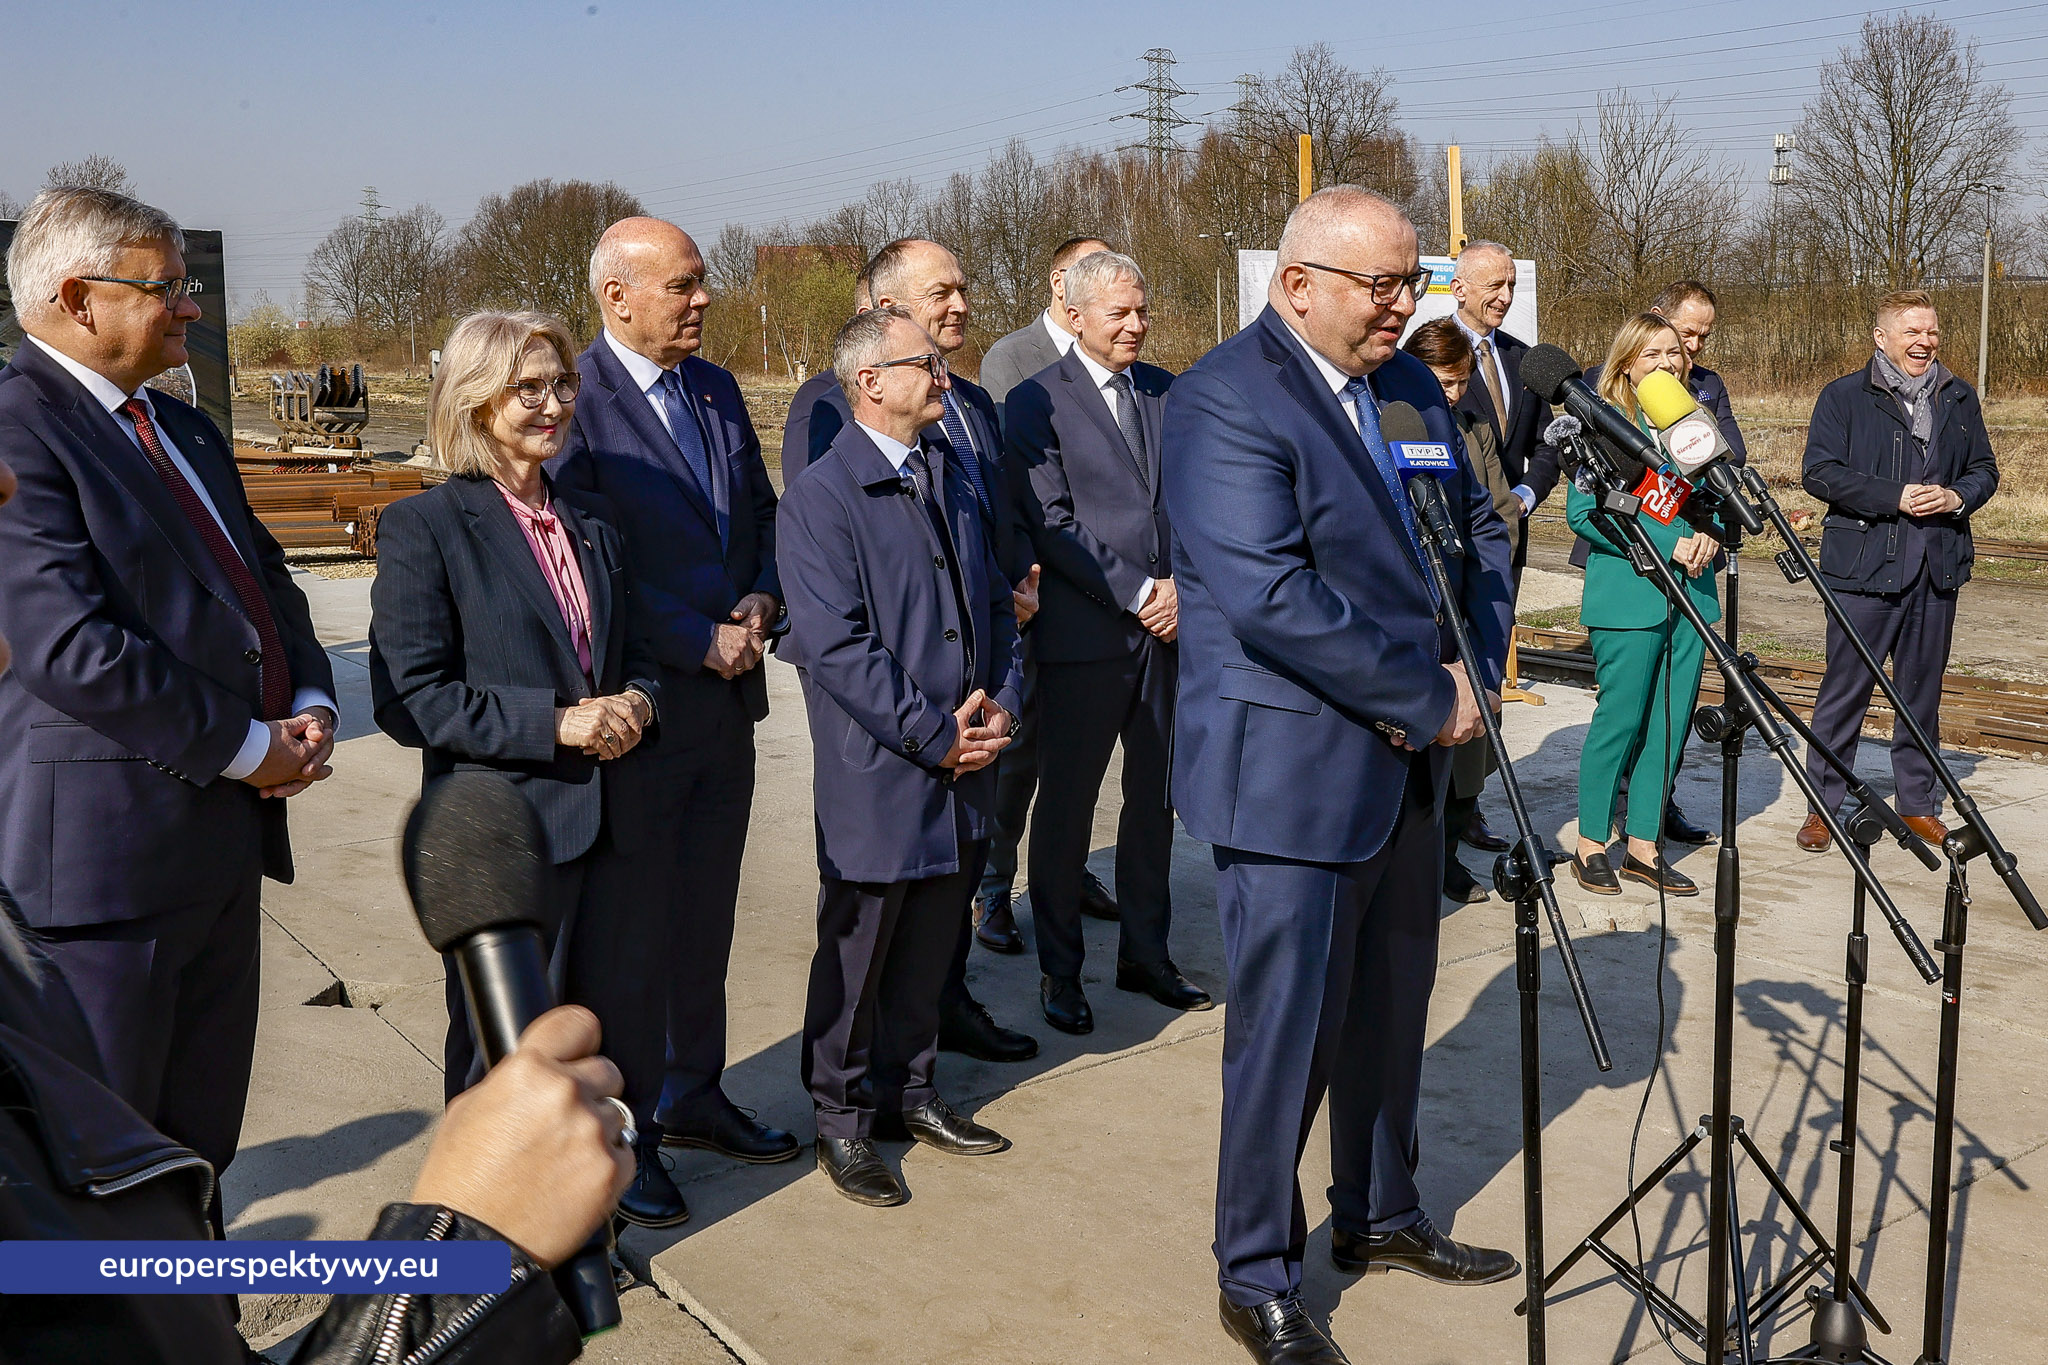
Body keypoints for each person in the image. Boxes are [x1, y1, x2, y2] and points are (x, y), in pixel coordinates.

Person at [1164, 186, 1517, 1365]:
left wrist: (1474, 652)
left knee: (1387, 1008)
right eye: (1378, 284)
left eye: (1409, 282)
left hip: (1408, 770)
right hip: (1293, 776)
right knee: (1287, 1035)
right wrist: (1427, 697)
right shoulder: (1223, 400)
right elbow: (1270, 598)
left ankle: (1377, 1211)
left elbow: (1463, 530)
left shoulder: (1408, 387)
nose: (1399, 306)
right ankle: (1254, 1272)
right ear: (1295, 283)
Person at [0, 187, 338, 1241]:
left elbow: (264, 582)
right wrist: (248, 749)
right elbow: (69, 647)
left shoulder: (179, 425)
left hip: (215, 854)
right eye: (167, 288)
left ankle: (196, 1321)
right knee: (101, 1169)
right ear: (75, 298)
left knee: (198, 1146)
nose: (189, 309)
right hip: (100, 877)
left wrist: (311, 700)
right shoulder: (19, 431)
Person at [369, 309, 683, 1228]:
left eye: (564, 384)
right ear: (475, 399)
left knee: (619, 1021)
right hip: (508, 835)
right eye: (529, 387)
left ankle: (615, 1174)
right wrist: (556, 724)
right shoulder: (425, 526)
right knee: (506, 1046)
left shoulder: (590, 518)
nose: (555, 404)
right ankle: (483, 1223)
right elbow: (411, 696)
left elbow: (644, 654)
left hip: (617, 821)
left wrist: (638, 703)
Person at [550, 218, 802, 1177]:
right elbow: (589, 558)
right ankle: (632, 1129)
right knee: (636, 932)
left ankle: (695, 1090)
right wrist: (701, 637)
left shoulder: (718, 388)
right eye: (683, 285)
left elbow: (762, 513)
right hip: (646, 709)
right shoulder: (574, 402)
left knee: (706, 917)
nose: (703, 300)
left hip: (726, 713)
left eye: (703, 284)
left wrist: (762, 596)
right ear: (617, 295)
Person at [779, 307, 1025, 1206]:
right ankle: (840, 1120)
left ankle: (911, 1092)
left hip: (965, 755)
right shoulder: (822, 495)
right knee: (859, 950)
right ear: (869, 381)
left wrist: (1002, 705)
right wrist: (935, 732)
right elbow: (836, 645)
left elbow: (994, 604)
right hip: (883, 766)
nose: (943, 373)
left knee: (932, 938)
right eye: (924, 362)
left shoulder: (947, 470)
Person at [1006, 250, 1206, 1034]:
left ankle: (1146, 954)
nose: (1136, 323)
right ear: (1077, 313)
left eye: (1142, 309)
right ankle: (1061, 971)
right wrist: (1137, 590)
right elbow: (1051, 522)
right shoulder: (1035, 402)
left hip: (1169, 636)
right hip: (1087, 635)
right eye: (1119, 312)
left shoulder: (1167, 392)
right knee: (1067, 808)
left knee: (1156, 802)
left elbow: (1196, 500)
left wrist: (1183, 588)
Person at [1795, 290, 1998, 853]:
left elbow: (1984, 468)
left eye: (1931, 332)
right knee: (1845, 692)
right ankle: (1823, 807)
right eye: (1912, 332)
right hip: (1862, 569)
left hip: (1937, 569)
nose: (1925, 342)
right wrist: (1896, 496)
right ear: (1881, 338)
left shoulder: (1959, 397)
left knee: (1920, 695)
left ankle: (1916, 805)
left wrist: (1957, 496)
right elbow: (1820, 474)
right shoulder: (1843, 397)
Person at [970, 235, 1121, 954]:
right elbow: (1017, 484)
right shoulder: (1015, 358)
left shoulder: (1121, 363)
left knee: (1078, 764)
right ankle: (995, 888)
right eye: (1083, 271)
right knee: (1019, 756)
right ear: (1061, 281)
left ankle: (1064, 873)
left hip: (1101, 596)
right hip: (1038, 590)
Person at [1567, 313, 1722, 897]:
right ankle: (1589, 843)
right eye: (1652, 354)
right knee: (1623, 720)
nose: (1667, 363)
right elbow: (1584, 513)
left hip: (1691, 594)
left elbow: (1710, 503)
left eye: (1673, 353)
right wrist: (1669, 541)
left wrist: (1708, 531)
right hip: (1629, 595)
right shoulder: (1599, 426)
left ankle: (1643, 845)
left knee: (1670, 723)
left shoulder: (1692, 424)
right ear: (1627, 364)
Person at [1404, 318, 1518, 905]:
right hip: (1418, 619)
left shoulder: (1471, 430)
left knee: (1468, 751)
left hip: (1473, 599)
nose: (1452, 394)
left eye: (1461, 382)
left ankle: (1448, 854)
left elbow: (1495, 512)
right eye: (1443, 380)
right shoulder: (1392, 422)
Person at [1647, 279, 1748, 848]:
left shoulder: (1708, 386)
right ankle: (1624, 800)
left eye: (1704, 335)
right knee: (1633, 697)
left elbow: (1729, 455)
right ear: (1659, 319)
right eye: (1687, 332)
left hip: (1698, 551)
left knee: (1678, 692)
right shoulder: (1613, 382)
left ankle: (1660, 800)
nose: (1695, 347)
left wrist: (1705, 526)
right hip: (1636, 554)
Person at [1449, 241, 1556, 573]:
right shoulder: (1426, 355)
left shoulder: (1525, 359)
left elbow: (1548, 443)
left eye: (1510, 285)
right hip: (1452, 535)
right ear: (1459, 289)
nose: (1506, 297)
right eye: (1495, 285)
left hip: (1508, 536)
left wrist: (1525, 494)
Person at [976, 234, 1111, 416]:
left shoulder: (1116, 352)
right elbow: (1008, 439)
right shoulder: (1008, 358)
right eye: (1095, 276)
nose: (1110, 289)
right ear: (1058, 283)